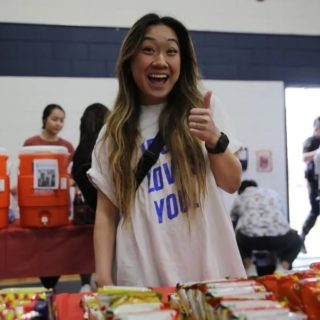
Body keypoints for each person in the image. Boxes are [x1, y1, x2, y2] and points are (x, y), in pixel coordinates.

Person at [87, 13, 246, 288]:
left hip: (209, 272)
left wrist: (214, 138)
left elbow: (232, 183)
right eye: (148, 50)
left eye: (171, 51)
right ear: (130, 60)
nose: (160, 61)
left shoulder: (203, 110)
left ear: (181, 62)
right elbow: (106, 213)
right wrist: (102, 277)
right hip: (141, 275)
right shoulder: (112, 133)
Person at [23, 103, 75, 290]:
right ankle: (45, 283)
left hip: (60, 204)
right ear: (45, 119)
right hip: (36, 204)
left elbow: (74, 176)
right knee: (39, 245)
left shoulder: (67, 146)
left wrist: (67, 183)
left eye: (62, 120)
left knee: (57, 244)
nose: (58, 123)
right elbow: (26, 175)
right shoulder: (31, 144)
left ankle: (53, 282)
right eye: (54, 119)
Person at [71, 103, 110, 292]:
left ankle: (92, 282)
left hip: (95, 212)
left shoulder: (79, 154)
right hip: (112, 215)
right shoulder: (103, 151)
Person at [231, 180, 301, 277]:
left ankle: (250, 269)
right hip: (279, 238)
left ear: (240, 190)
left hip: (250, 240)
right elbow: (282, 217)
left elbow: (231, 222)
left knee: (236, 236)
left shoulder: (240, 197)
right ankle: (281, 269)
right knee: (297, 240)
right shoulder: (272, 193)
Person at [300, 116, 320, 253]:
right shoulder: (310, 141)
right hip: (314, 181)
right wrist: (318, 152)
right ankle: (302, 236)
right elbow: (304, 157)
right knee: (315, 210)